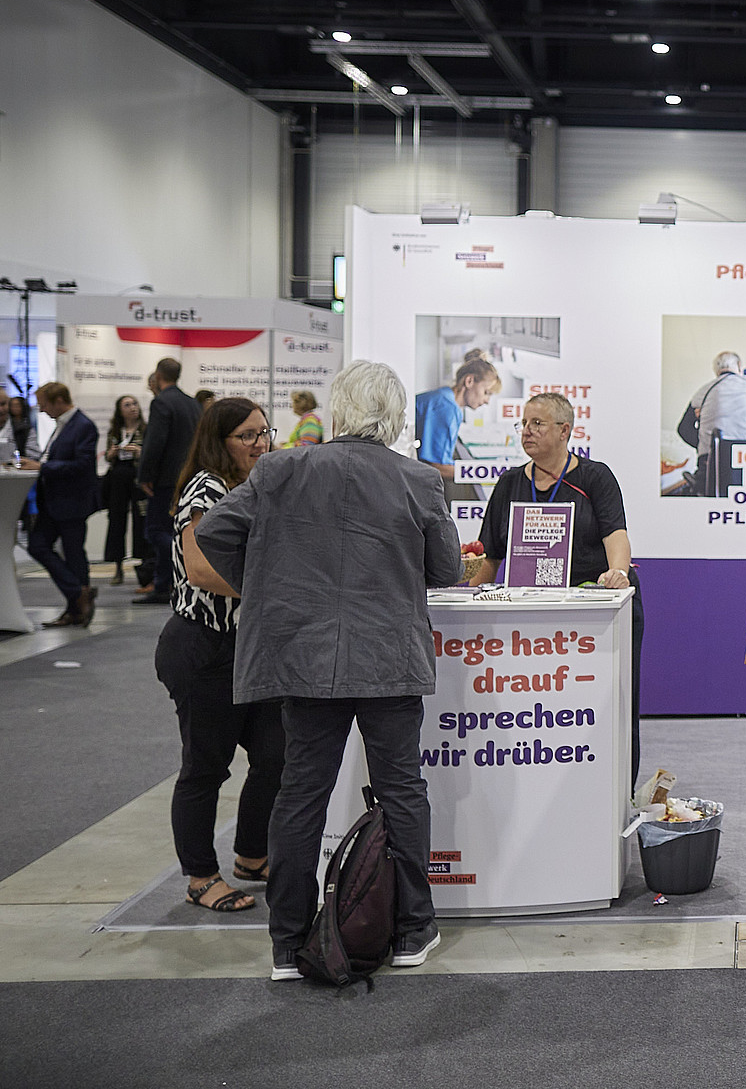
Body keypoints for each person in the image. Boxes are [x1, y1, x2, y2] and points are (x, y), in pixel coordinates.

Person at [194, 360, 461, 981]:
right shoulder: (418, 479)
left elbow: (213, 533)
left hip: (304, 658)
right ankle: (413, 929)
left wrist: (267, 586)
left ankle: (289, 944)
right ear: (394, 417)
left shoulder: (279, 469)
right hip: (389, 658)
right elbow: (446, 569)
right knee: (402, 791)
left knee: (300, 795)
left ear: (340, 409)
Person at [465, 392, 642, 784]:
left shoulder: (595, 477)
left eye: (537, 424)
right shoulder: (510, 483)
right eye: (523, 424)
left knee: (608, 707)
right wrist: (465, 597)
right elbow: (490, 556)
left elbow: (616, 535)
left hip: (593, 617)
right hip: (533, 619)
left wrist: (618, 572)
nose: (526, 432)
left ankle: (615, 792)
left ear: (565, 431)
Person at [159, 397, 284, 914]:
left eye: (264, 432)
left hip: (249, 647)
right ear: (220, 441)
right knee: (206, 767)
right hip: (203, 646)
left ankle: (252, 855)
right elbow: (200, 570)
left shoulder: (257, 484)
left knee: (275, 754)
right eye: (247, 435)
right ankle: (200, 876)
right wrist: (276, 589)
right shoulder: (206, 488)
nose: (261, 443)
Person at [24, 383, 99, 627]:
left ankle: (76, 606)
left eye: (44, 404)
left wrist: (42, 467)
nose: (41, 410)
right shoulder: (63, 425)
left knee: (73, 552)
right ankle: (79, 594)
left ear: (58, 401)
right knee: (39, 545)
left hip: (71, 501)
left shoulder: (83, 426)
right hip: (54, 501)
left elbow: (83, 465)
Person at [135, 358, 202, 605]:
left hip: (165, 479)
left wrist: (145, 476)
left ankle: (168, 578)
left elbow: (155, 442)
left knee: (156, 531)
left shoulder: (161, 402)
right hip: (189, 476)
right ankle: (169, 582)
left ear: (158, 375)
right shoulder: (192, 403)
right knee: (176, 527)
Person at [683, 352, 746, 495]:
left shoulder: (702, 393)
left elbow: (683, 429)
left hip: (711, 468)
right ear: (739, 366)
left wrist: (707, 445)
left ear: (716, 371)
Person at [415, 348, 500, 486]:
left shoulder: (446, 399)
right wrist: (487, 474)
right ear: (469, 381)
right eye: (486, 392)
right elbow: (436, 467)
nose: (487, 401)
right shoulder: (446, 407)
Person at [101, 393, 153, 587]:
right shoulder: (115, 431)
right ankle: (117, 566)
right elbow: (107, 456)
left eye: (134, 404)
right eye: (127, 405)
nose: (132, 408)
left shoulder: (146, 429)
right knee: (116, 520)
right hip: (118, 476)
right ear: (120, 411)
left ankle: (144, 567)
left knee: (141, 519)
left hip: (138, 476)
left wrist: (139, 452)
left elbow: (151, 453)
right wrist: (112, 453)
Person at [4, 394, 37, 461]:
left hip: (23, 460)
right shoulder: (5, 424)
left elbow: (33, 451)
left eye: (17, 405)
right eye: (12, 406)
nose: (15, 408)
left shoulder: (28, 427)